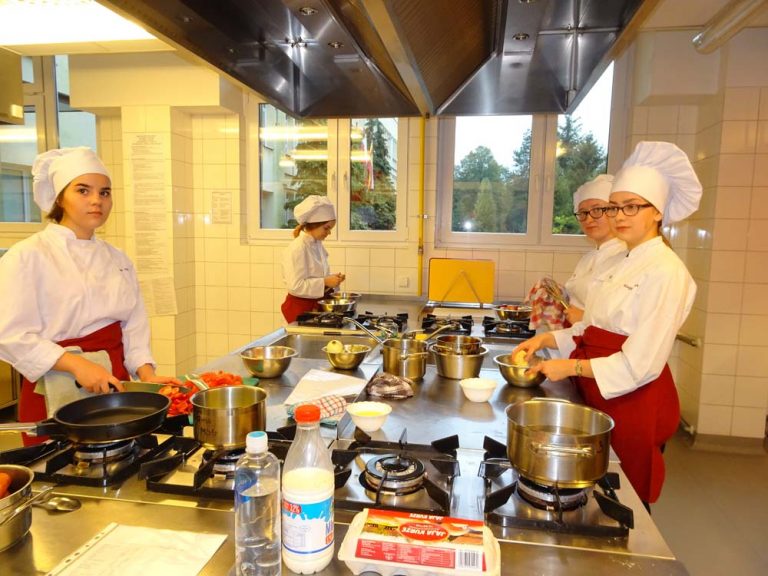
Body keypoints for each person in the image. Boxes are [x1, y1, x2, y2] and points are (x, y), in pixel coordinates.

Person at [514, 141, 701, 508]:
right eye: (614, 207)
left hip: (635, 400)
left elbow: (641, 363)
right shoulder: (623, 261)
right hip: (599, 389)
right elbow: (590, 327)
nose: (619, 216)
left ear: (657, 212)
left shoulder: (666, 271)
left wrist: (570, 367)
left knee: (624, 494)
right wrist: (546, 340)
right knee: (595, 484)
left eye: (631, 206)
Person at [0, 147, 179, 441]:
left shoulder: (118, 259)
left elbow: (134, 326)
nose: (97, 200)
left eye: (104, 192)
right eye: (83, 190)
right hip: (53, 387)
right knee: (60, 462)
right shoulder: (27, 256)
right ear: (60, 197)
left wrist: (147, 375)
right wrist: (76, 364)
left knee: (120, 456)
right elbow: (10, 334)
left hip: (114, 387)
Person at [562, 174, 626, 324]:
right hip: (576, 333)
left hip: (596, 335)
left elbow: (623, 318)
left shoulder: (626, 255)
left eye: (597, 210)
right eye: (583, 213)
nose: (589, 219)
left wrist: (585, 318)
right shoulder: (588, 258)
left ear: (614, 211)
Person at [281, 195, 345, 323]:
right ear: (314, 225)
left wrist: (332, 280)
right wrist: (325, 281)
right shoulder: (297, 248)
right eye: (326, 228)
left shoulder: (317, 244)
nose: (329, 233)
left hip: (314, 306)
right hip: (300, 309)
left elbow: (315, 275)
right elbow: (296, 286)